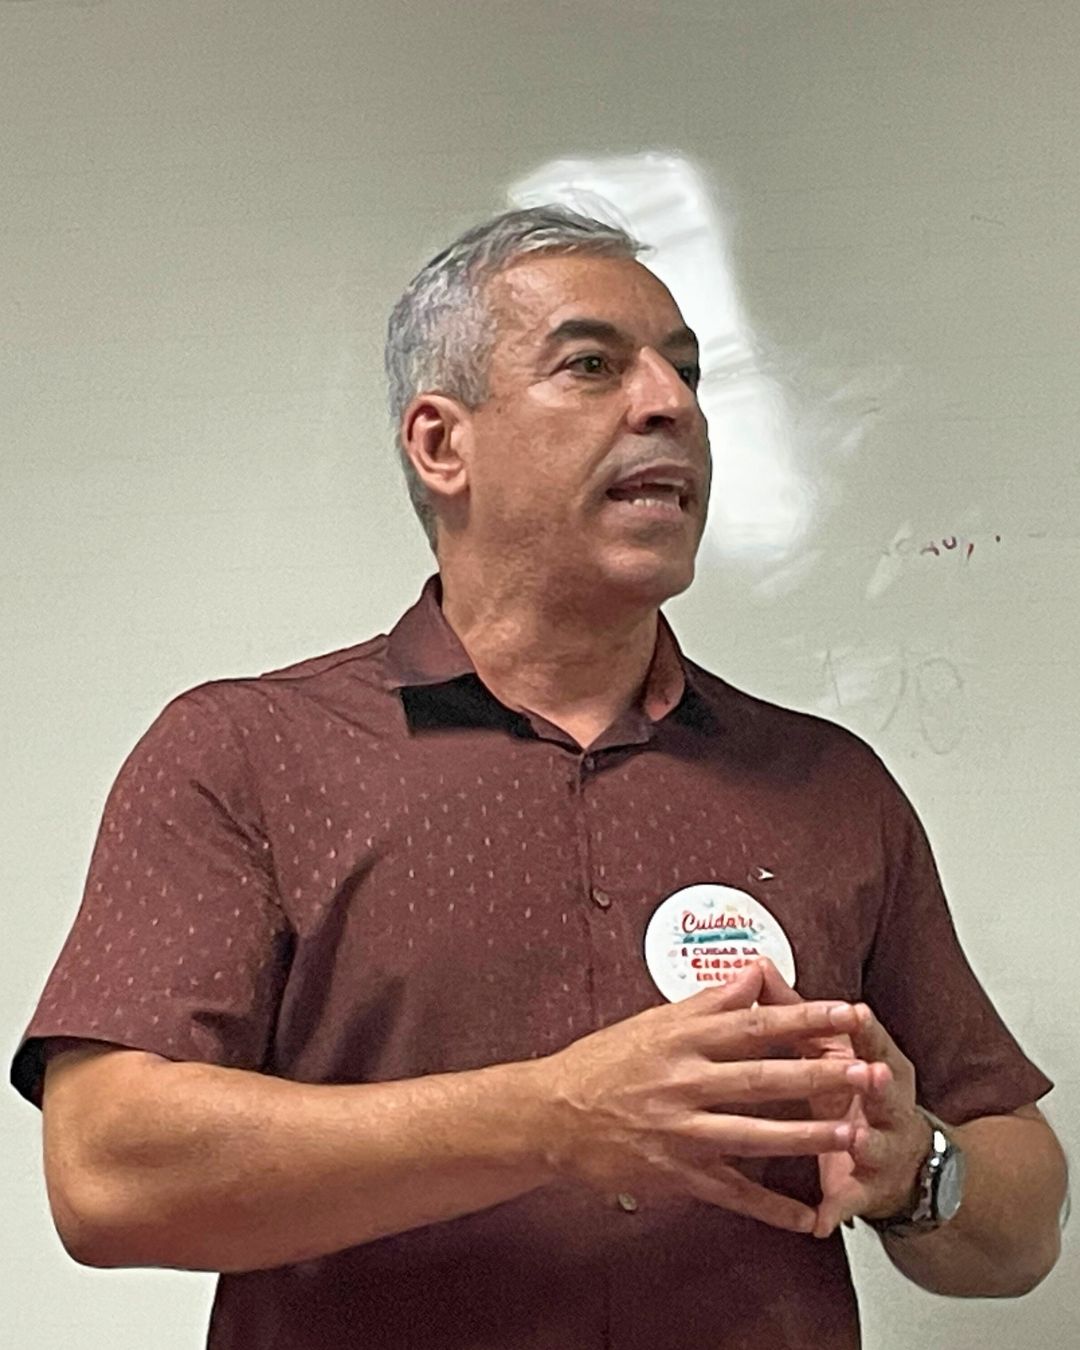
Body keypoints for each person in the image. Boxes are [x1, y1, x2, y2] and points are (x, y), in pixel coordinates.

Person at [11, 206, 1067, 1350]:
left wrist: (918, 1167)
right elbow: (108, 1172)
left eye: (687, 372)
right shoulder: (246, 755)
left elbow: (1023, 1216)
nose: (670, 405)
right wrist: (552, 1117)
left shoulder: (828, 784)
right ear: (441, 445)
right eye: (592, 365)